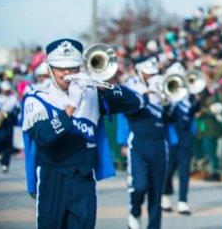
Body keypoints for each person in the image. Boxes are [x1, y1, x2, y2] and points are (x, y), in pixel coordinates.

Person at [22, 38, 145, 229]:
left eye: (73, 68)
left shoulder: (92, 94)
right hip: (52, 176)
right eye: (61, 68)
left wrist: (103, 85)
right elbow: (44, 137)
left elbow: (136, 102)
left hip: (84, 177)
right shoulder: (37, 98)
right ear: (49, 70)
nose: (67, 73)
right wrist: (71, 106)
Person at [117, 56, 175, 229]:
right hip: (138, 141)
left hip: (158, 142)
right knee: (139, 185)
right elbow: (124, 113)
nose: (151, 76)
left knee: (156, 192)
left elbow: (170, 118)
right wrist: (122, 141)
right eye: (147, 73)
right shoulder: (130, 86)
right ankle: (134, 211)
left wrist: (168, 100)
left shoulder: (161, 84)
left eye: (153, 73)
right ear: (139, 71)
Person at [162, 66, 202, 215]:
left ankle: (182, 201)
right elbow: (165, 117)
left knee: (184, 169)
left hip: (185, 135)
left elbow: (194, 112)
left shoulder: (189, 96)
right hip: (171, 135)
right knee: (169, 167)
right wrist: (167, 103)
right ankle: (165, 195)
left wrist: (197, 99)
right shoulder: (166, 93)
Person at [0, 81, 19, 172]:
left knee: (9, 143)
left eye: (7, 90)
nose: (6, 91)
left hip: (10, 122)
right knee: (1, 138)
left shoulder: (13, 98)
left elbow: (17, 110)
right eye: (4, 90)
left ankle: (5, 164)